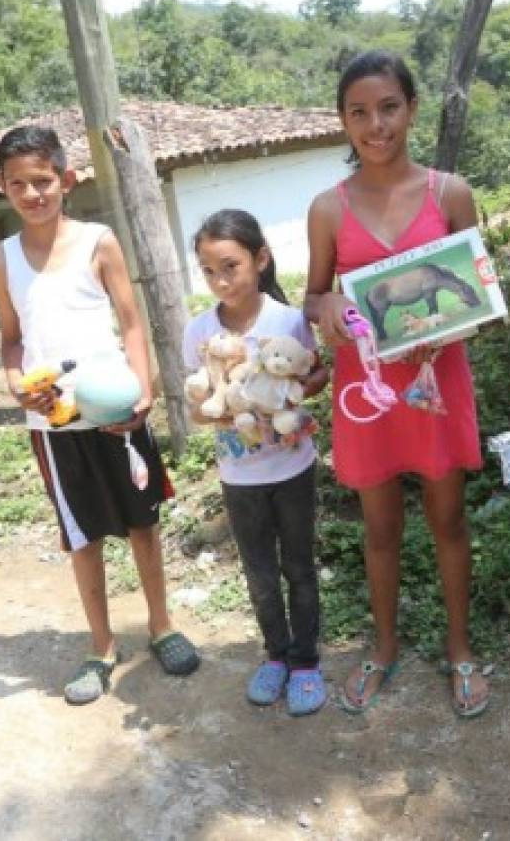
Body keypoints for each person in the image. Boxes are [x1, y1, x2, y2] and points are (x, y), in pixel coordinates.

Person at [0, 125, 199, 706]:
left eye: (43, 180)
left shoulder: (99, 241)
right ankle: (101, 646)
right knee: (82, 537)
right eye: (19, 184)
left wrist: (144, 391)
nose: (33, 194)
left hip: (116, 410)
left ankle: (162, 626)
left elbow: (131, 321)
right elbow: (10, 341)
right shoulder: (0, 261)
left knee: (141, 523)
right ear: (2, 187)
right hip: (54, 426)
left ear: (67, 179)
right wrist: (13, 383)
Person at [304, 50, 489, 717]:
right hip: (367, 393)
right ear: (343, 122)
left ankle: (459, 648)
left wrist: (459, 324)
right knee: (378, 529)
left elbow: (480, 294)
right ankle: (382, 647)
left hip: (437, 387)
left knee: (448, 519)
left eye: (388, 107)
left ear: (411, 109)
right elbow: (313, 296)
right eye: (359, 112)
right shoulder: (328, 207)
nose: (375, 124)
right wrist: (322, 312)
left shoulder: (451, 194)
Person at [183, 209, 330, 716]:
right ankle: (275, 656)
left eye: (230, 266)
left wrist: (295, 395)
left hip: (291, 468)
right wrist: (222, 414)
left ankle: (307, 661)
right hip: (238, 474)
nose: (221, 281)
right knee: (260, 573)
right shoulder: (199, 332)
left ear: (260, 259)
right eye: (208, 271)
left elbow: (314, 377)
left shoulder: (289, 321)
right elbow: (197, 406)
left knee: (299, 567)